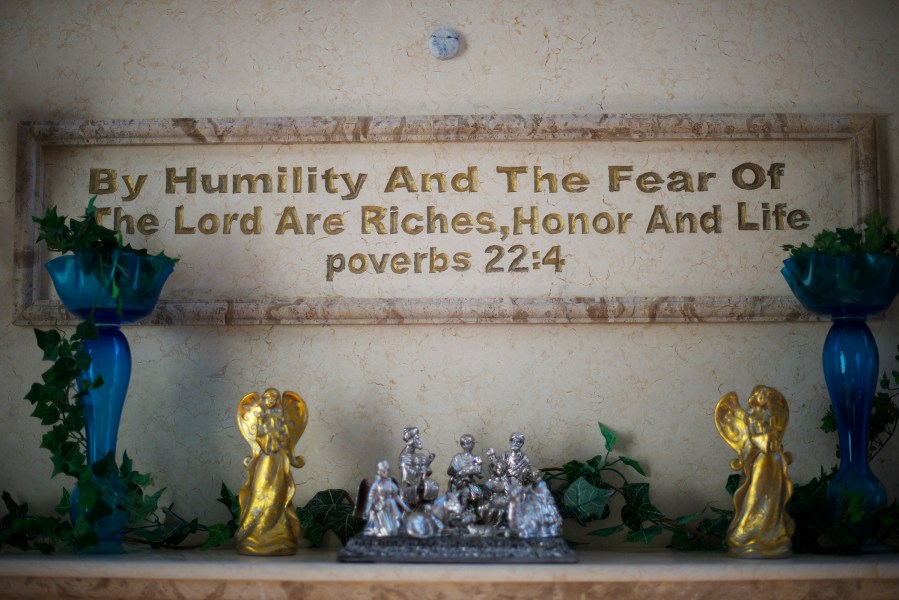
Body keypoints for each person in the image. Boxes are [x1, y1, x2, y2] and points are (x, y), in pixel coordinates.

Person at [236, 388, 307, 555]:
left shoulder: (280, 418)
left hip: (278, 459)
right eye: (266, 399)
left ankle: (278, 531)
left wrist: (281, 442)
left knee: (277, 492)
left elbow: (285, 437)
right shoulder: (262, 418)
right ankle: (254, 530)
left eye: (271, 399)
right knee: (259, 490)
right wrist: (269, 439)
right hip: (265, 458)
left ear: (276, 401)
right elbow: (259, 437)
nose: (268, 401)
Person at [363, 461, 408, 537]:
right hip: (380, 506)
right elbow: (371, 497)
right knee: (383, 527)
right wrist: (367, 509)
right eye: (383, 471)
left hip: (391, 505)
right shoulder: (376, 484)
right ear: (379, 472)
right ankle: (382, 531)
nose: (385, 472)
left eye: (386, 470)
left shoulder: (391, 483)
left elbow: (396, 496)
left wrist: (405, 507)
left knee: (396, 524)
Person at [446, 434, 484, 507]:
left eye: (471, 443)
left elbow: (481, 475)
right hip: (457, 483)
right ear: (462, 445)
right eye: (466, 443)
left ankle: (466, 509)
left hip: (469, 483)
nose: (468, 445)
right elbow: (449, 472)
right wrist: (458, 473)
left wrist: (475, 470)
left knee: (467, 492)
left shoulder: (475, 458)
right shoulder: (457, 458)